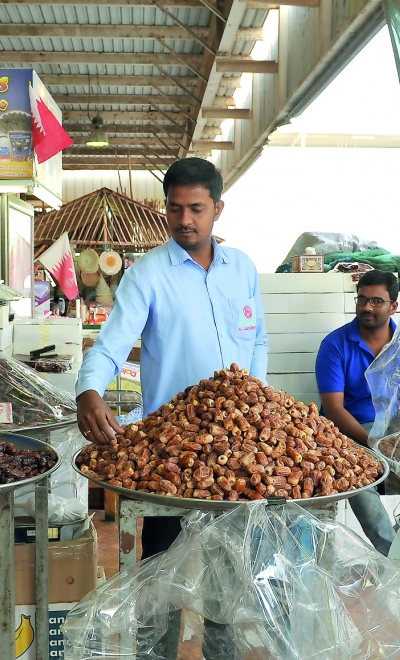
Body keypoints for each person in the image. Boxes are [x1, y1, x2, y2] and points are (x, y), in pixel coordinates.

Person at [75, 157, 267, 659]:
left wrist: (257, 405)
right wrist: (88, 388)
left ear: (218, 209)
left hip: (240, 454)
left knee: (229, 584)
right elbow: (112, 345)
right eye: (175, 209)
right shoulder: (147, 275)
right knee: (159, 584)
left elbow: (259, 342)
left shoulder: (242, 268)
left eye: (196, 209)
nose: (185, 220)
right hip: (174, 455)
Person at [315, 270, 400, 555]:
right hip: (347, 435)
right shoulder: (335, 345)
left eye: (376, 301)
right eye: (362, 300)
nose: (367, 307)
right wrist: (372, 442)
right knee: (357, 480)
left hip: (394, 434)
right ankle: (393, 558)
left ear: (393, 306)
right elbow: (333, 409)